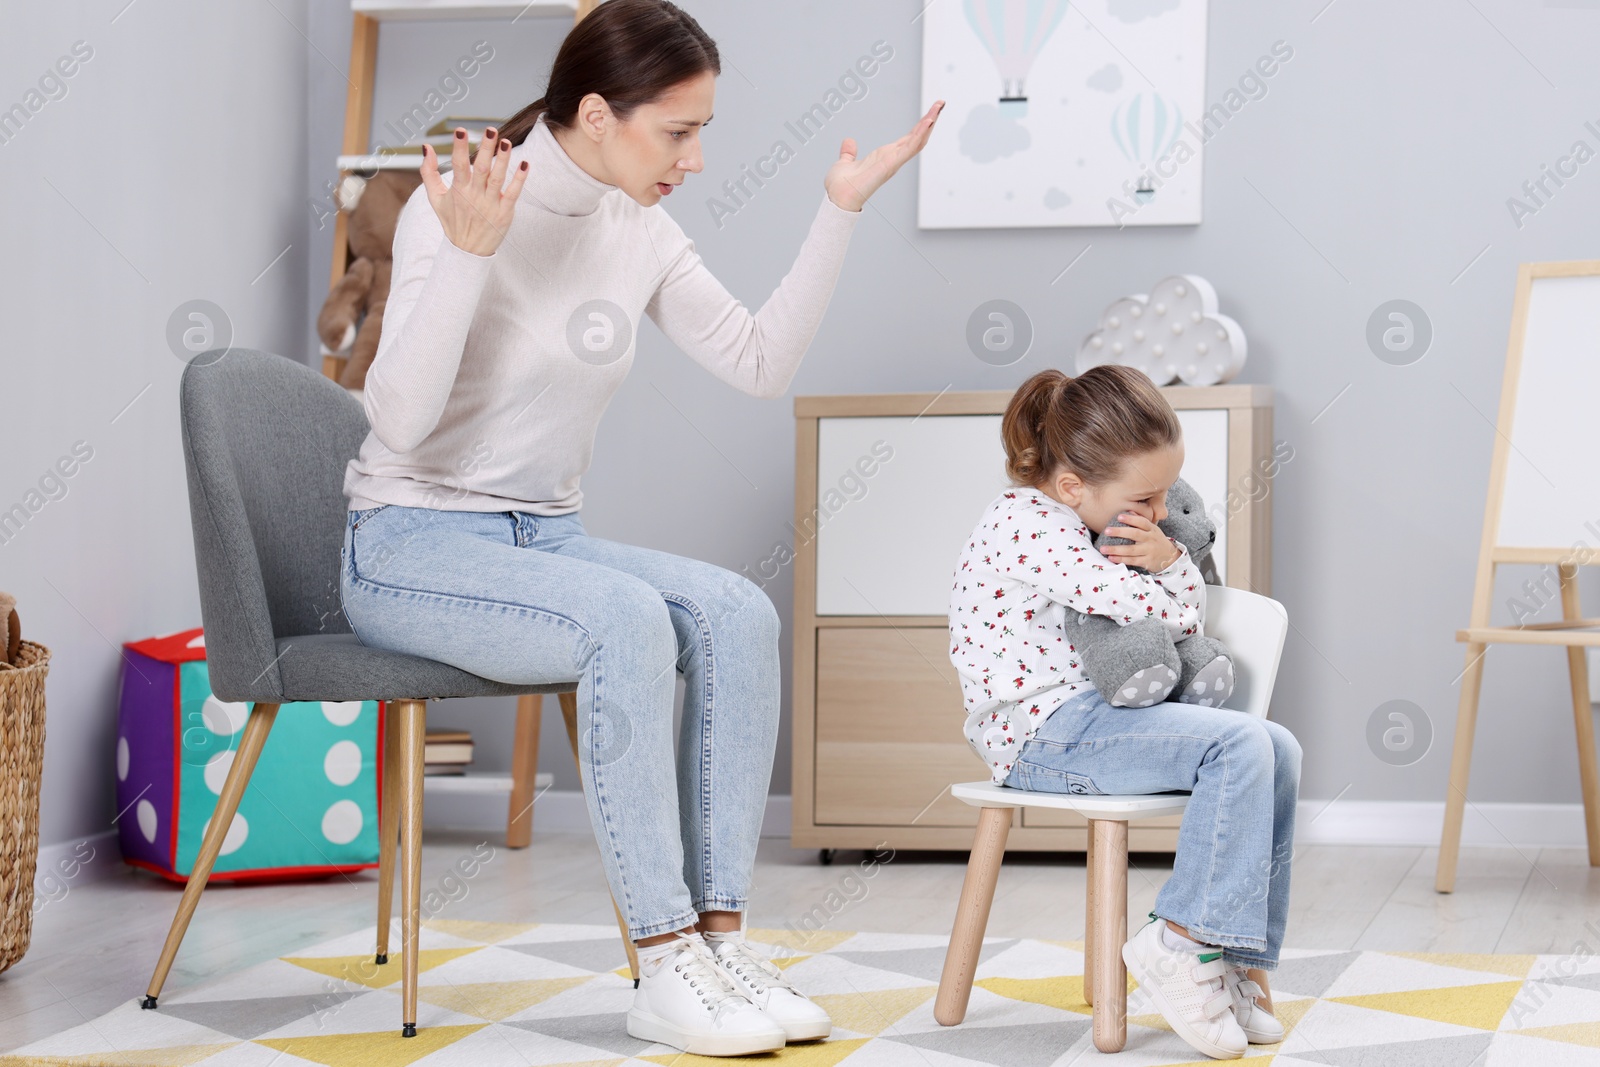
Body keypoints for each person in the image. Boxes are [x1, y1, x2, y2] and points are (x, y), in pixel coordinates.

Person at [336, 0, 943, 1056]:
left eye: (702, 130)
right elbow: (396, 420)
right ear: (596, 113)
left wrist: (837, 209)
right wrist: (471, 254)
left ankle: (717, 941)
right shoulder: (460, 204)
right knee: (626, 621)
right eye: (678, 131)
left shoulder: (638, 227)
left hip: (546, 540)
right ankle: (659, 961)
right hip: (408, 543)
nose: (697, 158)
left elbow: (758, 364)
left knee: (738, 611)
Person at [947, 365, 1301, 1061]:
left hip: (1092, 722)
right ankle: (1182, 942)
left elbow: (1177, 615)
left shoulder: (1087, 516)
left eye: (1167, 492)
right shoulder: (1026, 524)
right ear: (1075, 485)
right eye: (1147, 495)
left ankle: (1229, 954)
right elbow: (1158, 608)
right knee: (1235, 745)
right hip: (1041, 734)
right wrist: (1174, 563)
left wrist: (1168, 558)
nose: (1164, 509)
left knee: (1277, 745)